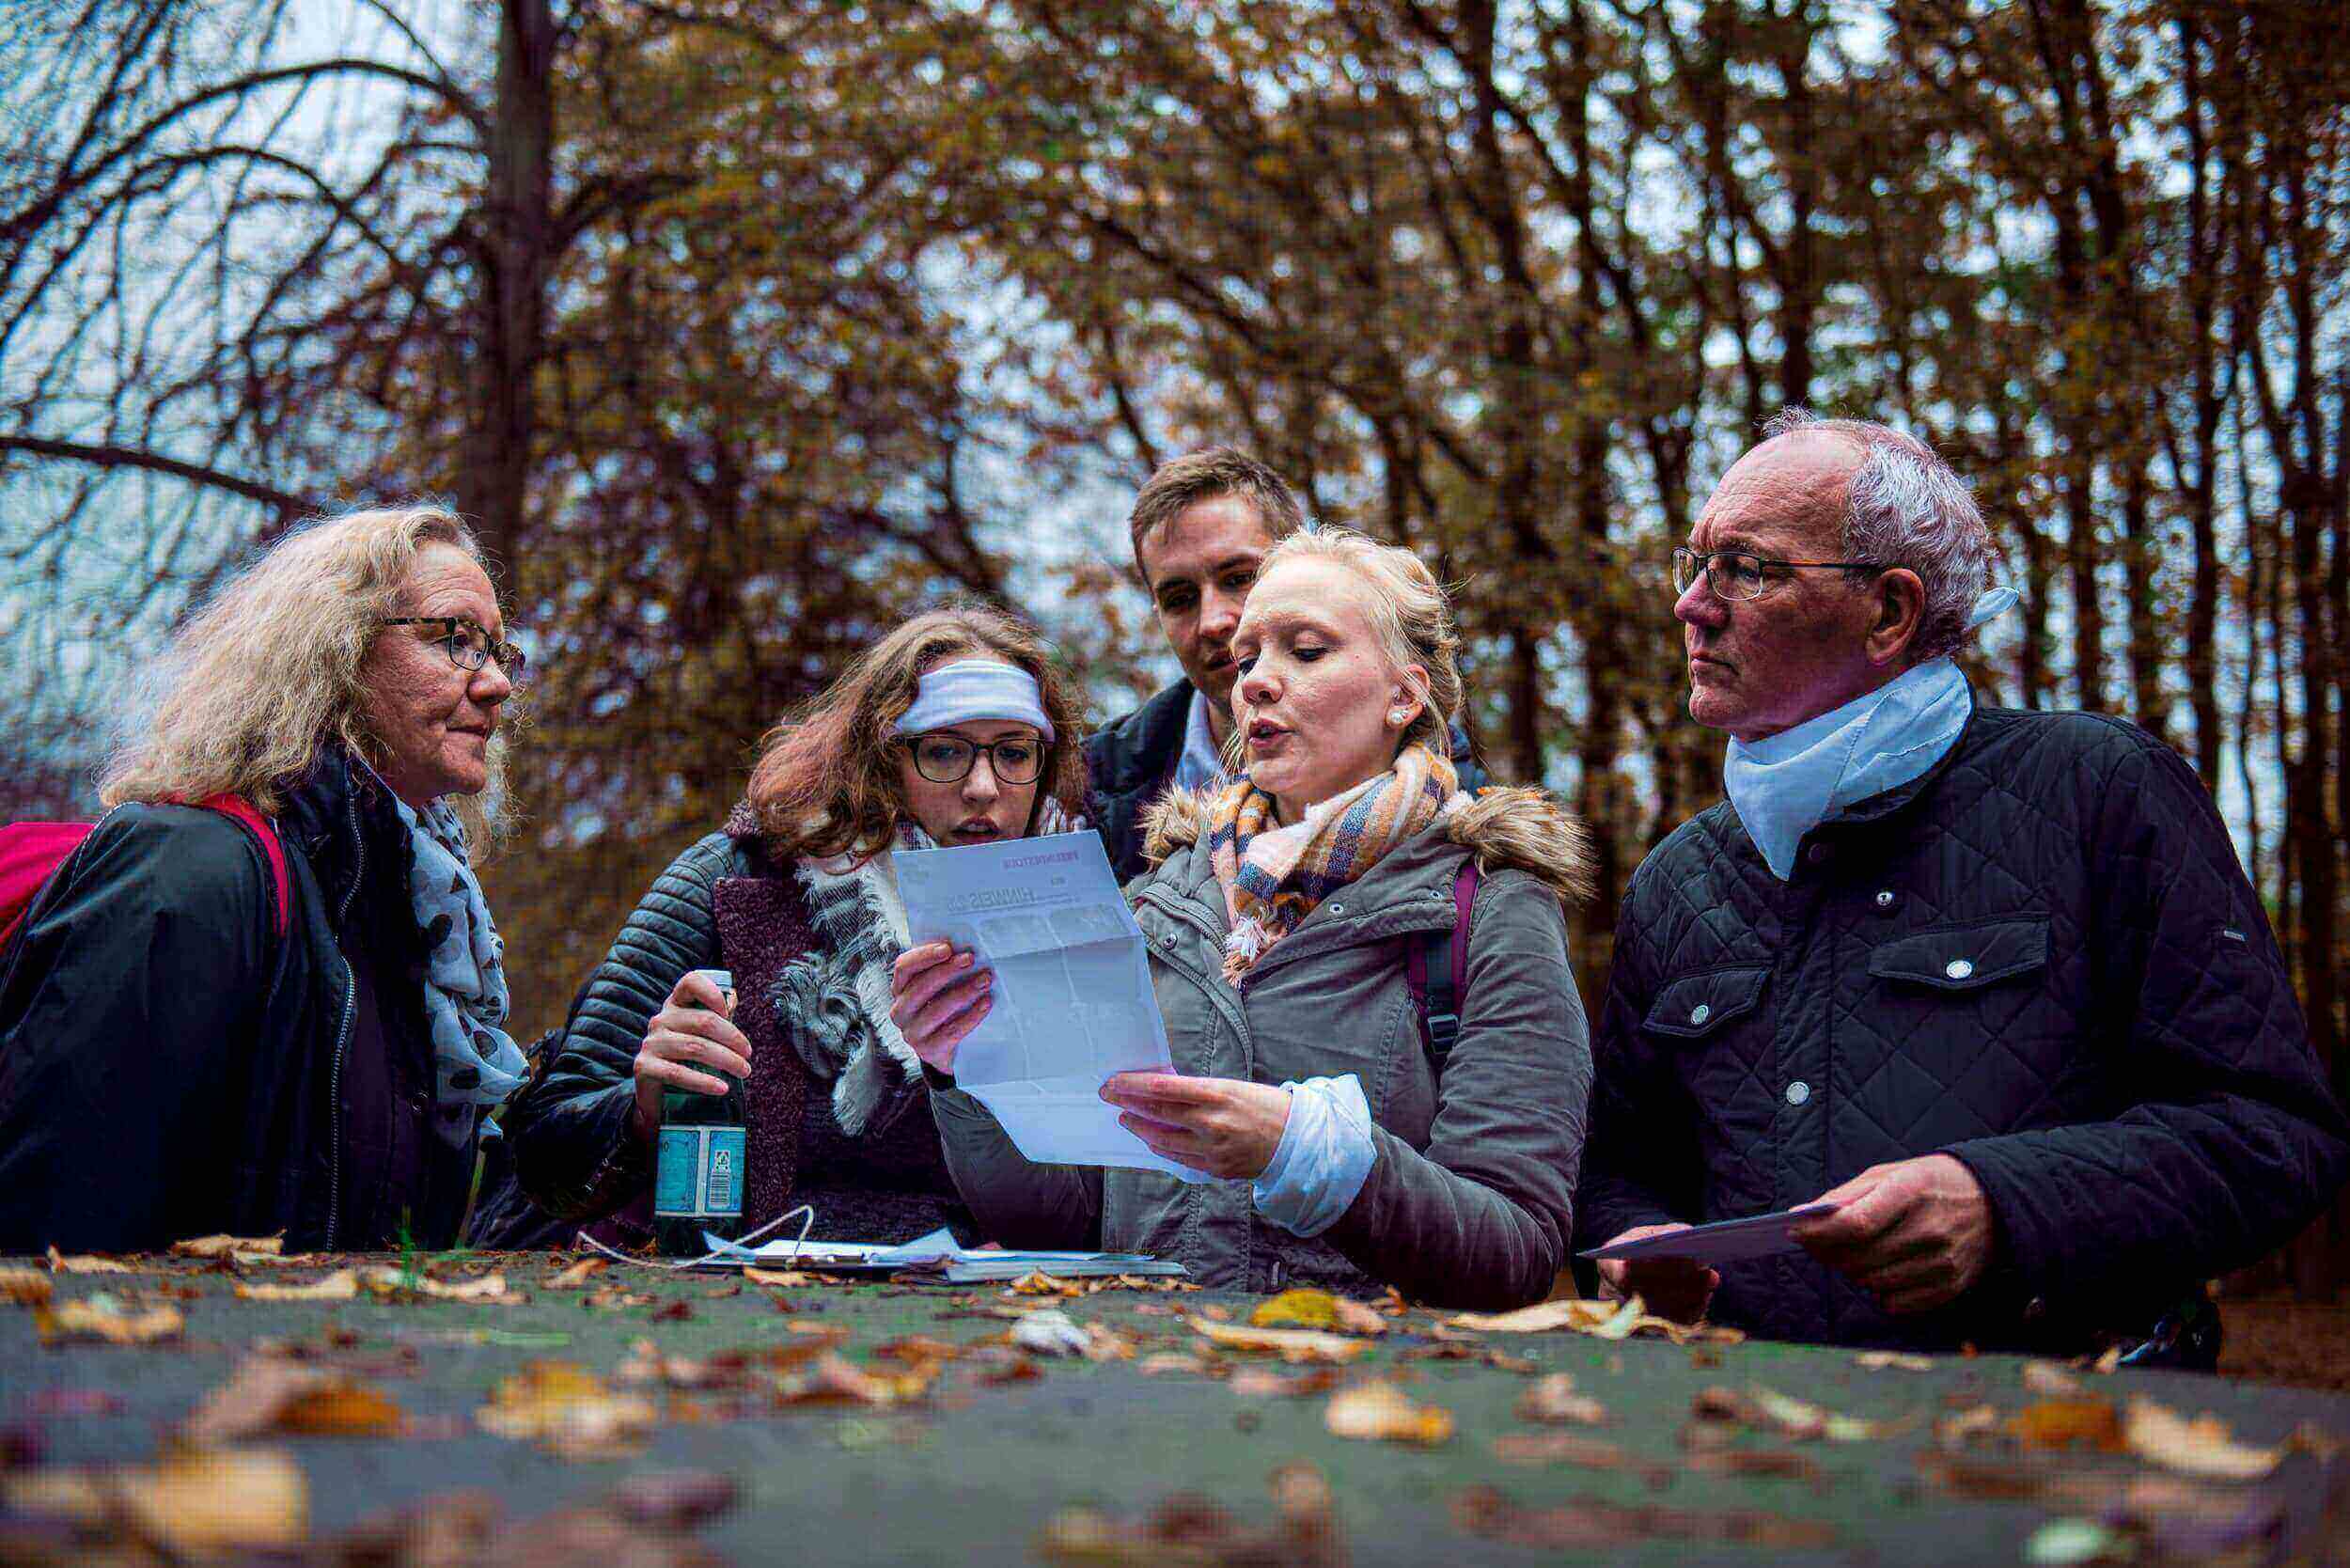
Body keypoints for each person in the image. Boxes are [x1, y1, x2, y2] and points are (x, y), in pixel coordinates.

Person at [1576, 410, 2350, 1355]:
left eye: (1746, 567)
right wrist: (1631, 1249)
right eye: (1695, 563)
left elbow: (2272, 1136)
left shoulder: (2097, 789)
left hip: (2071, 1440)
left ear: (1889, 613)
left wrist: (2004, 1206)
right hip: (1749, 1449)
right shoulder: (1676, 881)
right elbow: (1615, 1174)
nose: (1691, 604)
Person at [897, 530, 1594, 1309]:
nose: (1259, 681)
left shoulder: (1491, 906)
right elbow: (1065, 1221)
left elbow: (1516, 1253)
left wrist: (1308, 1155)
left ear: (1405, 694)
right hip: (1144, 1389)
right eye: (1249, 658)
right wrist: (964, 1074)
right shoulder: (1160, 898)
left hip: (1366, 1405)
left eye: (1306, 651)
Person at [0, 505, 526, 1253]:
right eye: (456, 641)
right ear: (334, 651)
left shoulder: (410, 921)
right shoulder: (189, 875)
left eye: (501, 651)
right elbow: (55, 1239)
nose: (499, 683)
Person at [501, 605, 1092, 1246]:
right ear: (881, 756)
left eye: (1014, 752)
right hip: (738, 1308)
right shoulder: (736, 878)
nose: (983, 786)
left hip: (991, 1315)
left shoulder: (1075, 916)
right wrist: (643, 1111)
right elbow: (547, 1156)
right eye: (944, 751)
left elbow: (1099, 1196)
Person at [1087, 447, 1486, 882]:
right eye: (1179, 599)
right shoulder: (1090, 788)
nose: (1214, 621)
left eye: (1239, 577)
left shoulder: (1467, 817)